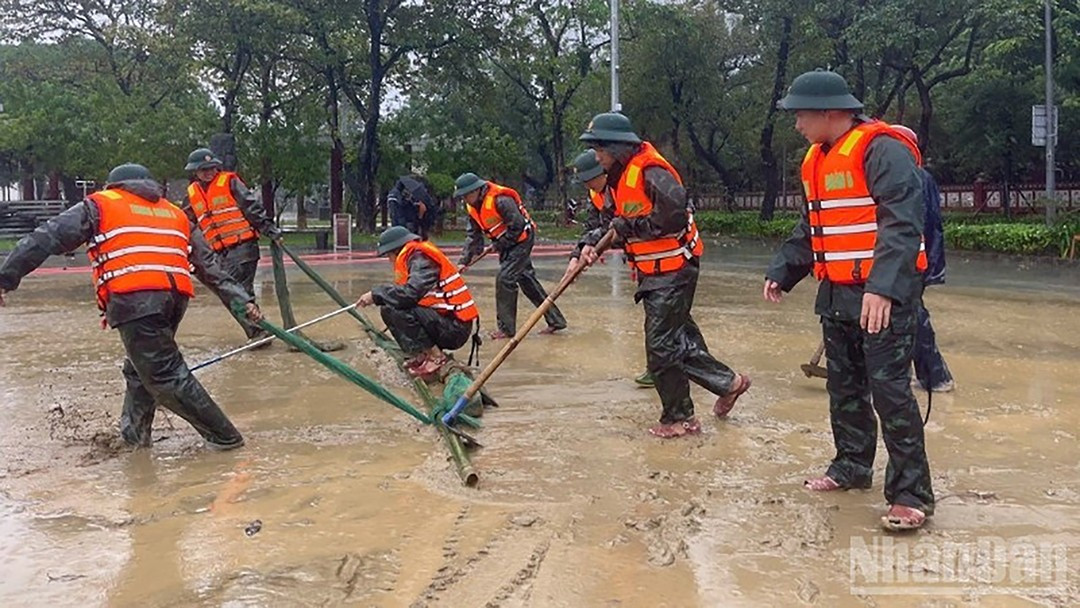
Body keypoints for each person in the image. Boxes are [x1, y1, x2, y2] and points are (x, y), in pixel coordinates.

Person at [764, 70, 935, 531]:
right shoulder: (815, 159)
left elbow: (902, 223)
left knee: (891, 392)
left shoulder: (882, 150)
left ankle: (910, 493)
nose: (797, 124)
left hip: (883, 293)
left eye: (801, 115)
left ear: (830, 112)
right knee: (844, 388)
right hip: (837, 294)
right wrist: (783, 271)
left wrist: (883, 287)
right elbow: (813, 229)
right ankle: (851, 467)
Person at [0, 163, 261, 450]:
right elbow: (210, 266)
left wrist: (5, 278)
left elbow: (46, 238)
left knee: (164, 375)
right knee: (140, 370)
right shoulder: (174, 212)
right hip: (173, 300)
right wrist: (242, 300)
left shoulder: (99, 205)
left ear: (114, 186)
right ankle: (135, 438)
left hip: (135, 300)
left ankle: (226, 439)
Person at [578, 112, 750, 438]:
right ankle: (729, 384)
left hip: (674, 269)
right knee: (678, 342)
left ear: (616, 148)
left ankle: (680, 418)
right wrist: (586, 248)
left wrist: (628, 228)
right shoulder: (616, 179)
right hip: (653, 273)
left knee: (661, 347)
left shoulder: (651, 171)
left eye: (599, 150)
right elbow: (605, 223)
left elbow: (671, 217)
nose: (596, 158)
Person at [567, 149, 654, 388]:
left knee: (664, 318)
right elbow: (594, 227)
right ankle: (670, 366)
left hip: (661, 254)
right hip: (643, 258)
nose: (587, 185)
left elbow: (614, 229)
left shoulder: (623, 186)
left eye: (589, 180)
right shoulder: (596, 194)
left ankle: (666, 368)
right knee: (669, 319)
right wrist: (579, 252)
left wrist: (594, 244)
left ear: (603, 172)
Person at [180, 147, 282, 345]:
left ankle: (258, 333)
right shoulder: (192, 193)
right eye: (203, 169)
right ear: (195, 172)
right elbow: (186, 220)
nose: (208, 172)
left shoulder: (229, 181)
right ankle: (258, 331)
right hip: (219, 251)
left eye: (211, 167)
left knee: (236, 291)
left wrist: (269, 230)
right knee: (234, 291)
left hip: (243, 247)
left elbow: (251, 206)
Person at [455, 172, 567, 339]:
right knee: (527, 281)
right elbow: (473, 236)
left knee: (505, 279)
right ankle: (556, 320)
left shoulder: (501, 200)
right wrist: (464, 260)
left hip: (521, 239)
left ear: (476, 191)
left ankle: (506, 329)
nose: (464, 200)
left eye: (466, 195)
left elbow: (517, 226)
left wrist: (499, 245)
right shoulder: (472, 207)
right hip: (506, 242)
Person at [355, 226, 478, 378]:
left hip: (455, 328)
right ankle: (422, 353)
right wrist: (380, 296)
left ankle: (436, 357)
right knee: (388, 306)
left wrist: (376, 294)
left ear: (396, 250)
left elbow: (411, 294)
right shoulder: (413, 259)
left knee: (397, 308)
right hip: (442, 321)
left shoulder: (421, 258)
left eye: (388, 255)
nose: (389, 260)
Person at [891, 125, 955, 393]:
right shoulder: (906, 176)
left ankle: (934, 377)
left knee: (912, 317)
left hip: (911, 262)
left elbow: (923, 225)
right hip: (905, 260)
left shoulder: (915, 177)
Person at [387, 174, 439, 239]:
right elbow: (398, 211)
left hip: (405, 223)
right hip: (403, 223)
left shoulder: (398, 194)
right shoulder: (396, 195)